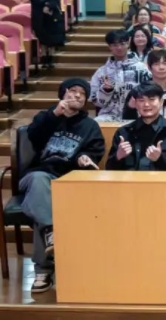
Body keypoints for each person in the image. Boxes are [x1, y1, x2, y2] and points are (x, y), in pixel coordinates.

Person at [22, 78, 105, 293]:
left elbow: (95, 150)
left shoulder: (90, 126)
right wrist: (55, 114)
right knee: (40, 185)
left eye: (82, 93)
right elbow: (33, 136)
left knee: (44, 208)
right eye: (73, 91)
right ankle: (49, 240)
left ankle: (43, 269)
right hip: (38, 174)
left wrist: (85, 158)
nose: (77, 95)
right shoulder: (46, 117)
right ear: (62, 93)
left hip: (69, 180)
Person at [107, 83, 166, 171]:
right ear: (135, 103)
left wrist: (160, 160)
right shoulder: (123, 132)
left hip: (162, 180)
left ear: (161, 102)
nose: (146, 104)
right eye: (141, 100)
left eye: (151, 99)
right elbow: (109, 168)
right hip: (130, 179)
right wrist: (118, 156)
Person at [90, 29, 152, 122]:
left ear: (128, 42)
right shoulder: (102, 72)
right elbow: (96, 102)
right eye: (115, 45)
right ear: (109, 46)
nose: (119, 48)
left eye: (122, 44)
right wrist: (106, 91)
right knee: (95, 124)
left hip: (137, 114)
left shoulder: (141, 69)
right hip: (108, 116)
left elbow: (151, 93)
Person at [123, 49, 166, 122]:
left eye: (165, 63)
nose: (161, 67)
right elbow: (127, 120)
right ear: (149, 67)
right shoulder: (137, 92)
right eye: (156, 64)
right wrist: (131, 108)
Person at [27, 0, 63, 68]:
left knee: (51, 34)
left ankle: (50, 58)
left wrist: (49, 5)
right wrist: (43, 3)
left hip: (51, 11)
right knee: (41, 35)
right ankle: (43, 58)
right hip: (38, 11)